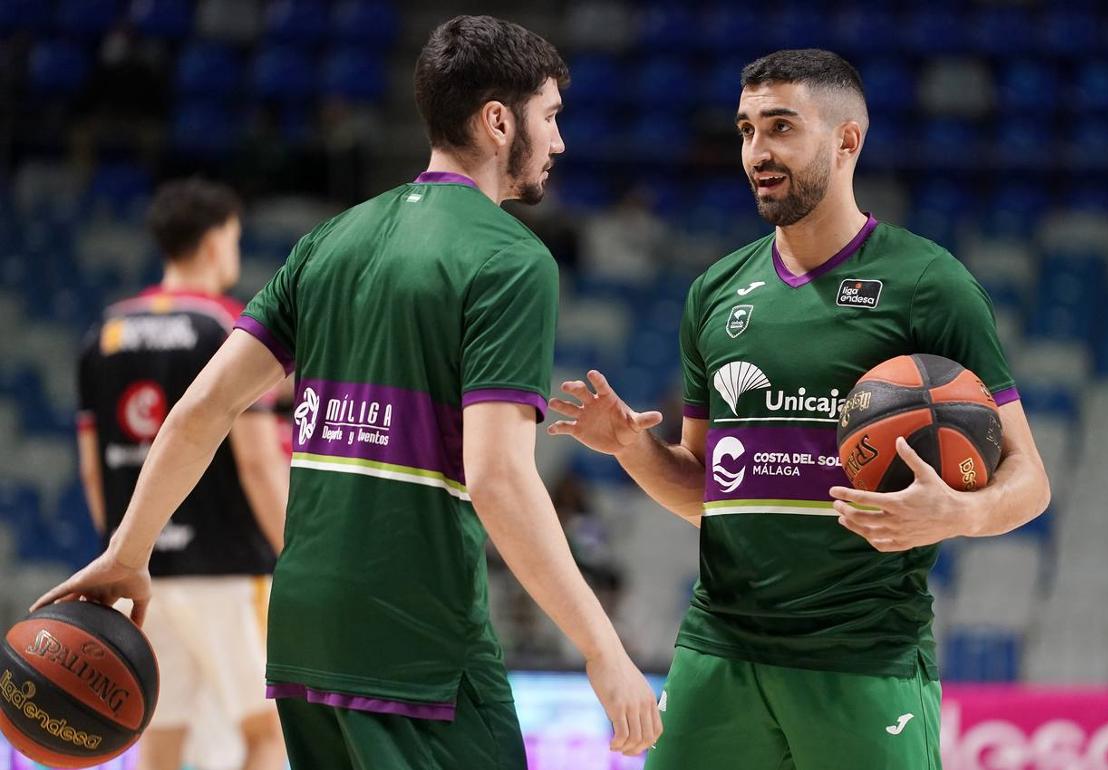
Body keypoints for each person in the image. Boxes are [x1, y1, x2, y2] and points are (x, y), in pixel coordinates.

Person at [38, 15, 661, 770]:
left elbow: (201, 411)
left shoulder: (330, 240)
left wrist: (128, 552)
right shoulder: (510, 260)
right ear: (500, 121)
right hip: (415, 643)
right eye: (552, 116)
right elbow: (499, 478)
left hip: (305, 637)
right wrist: (604, 650)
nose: (559, 142)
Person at [548, 49, 1051, 770]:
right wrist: (633, 450)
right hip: (717, 654)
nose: (757, 151)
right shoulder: (716, 293)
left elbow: (1030, 479)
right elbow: (708, 496)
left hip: (864, 660)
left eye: (781, 127)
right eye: (747, 129)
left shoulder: (929, 285)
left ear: (848, 140)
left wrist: (960, 513)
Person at [75, 178, 288, 770]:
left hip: (142, 574)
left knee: (160, 736)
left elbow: (95, 472)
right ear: (219, 240)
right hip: (230, 567)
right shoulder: (227, 329)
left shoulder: (104, 334)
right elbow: (256, 461)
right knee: (270, 729)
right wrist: (296, 555)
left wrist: (123, 549)